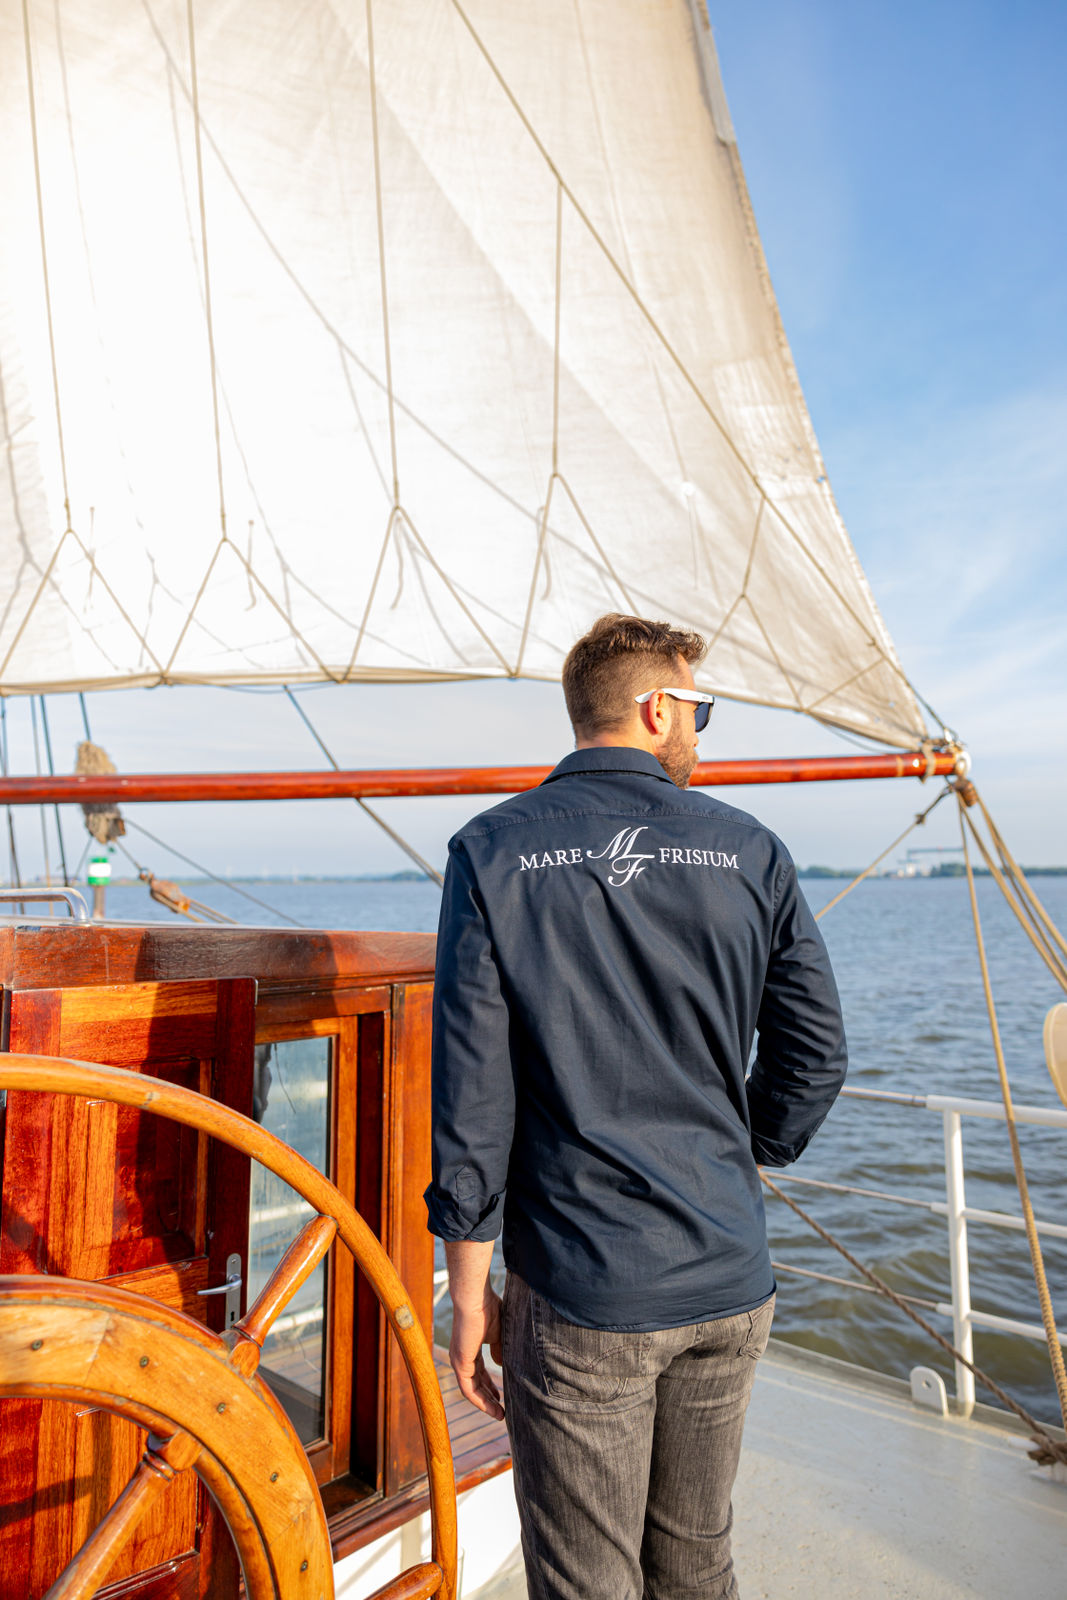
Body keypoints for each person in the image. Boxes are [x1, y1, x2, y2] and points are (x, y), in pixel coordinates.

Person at [425, 613, 847, 1600]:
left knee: (586, 1581)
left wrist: (465, 1294)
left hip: (582, 1289)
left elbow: (470, 1093)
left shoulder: (489, 852)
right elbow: (816, 1055)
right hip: (727, 1279)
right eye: (700, 710)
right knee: (697, 1562)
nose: (701, 730)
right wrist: (743, 1153)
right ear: (657, 708)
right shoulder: (751, 851)